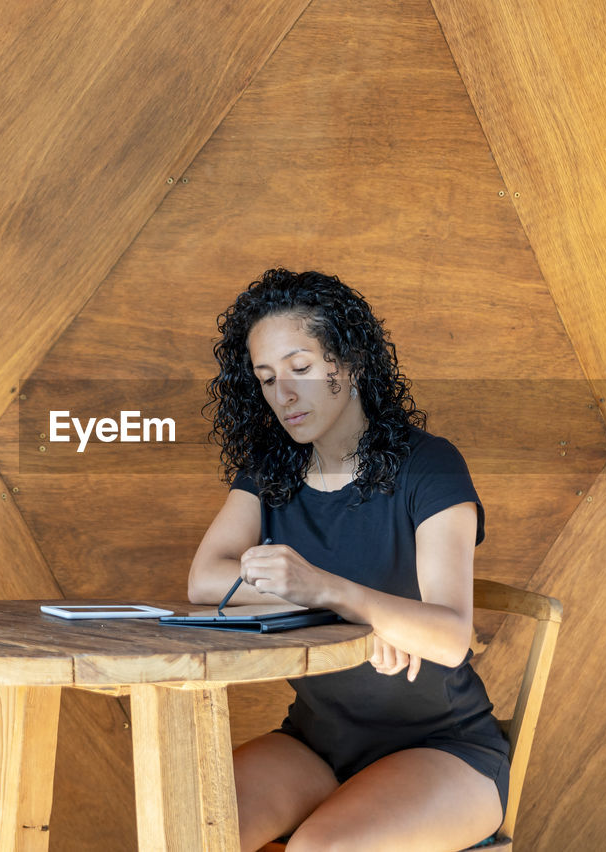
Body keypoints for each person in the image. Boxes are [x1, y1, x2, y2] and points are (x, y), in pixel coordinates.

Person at [188, 269, 509, 852]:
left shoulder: (429, 466)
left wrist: (331, 590)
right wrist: (355, 617)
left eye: (301, 369)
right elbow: (206, 579)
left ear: (351, 362)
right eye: (266, 378)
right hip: (316, 744)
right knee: (189, 827)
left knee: (320, 850)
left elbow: (448, 636)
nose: (283, 393)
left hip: (442, 749)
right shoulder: (271, 471)